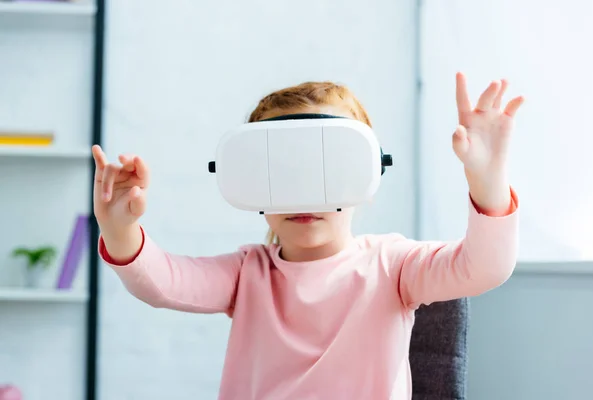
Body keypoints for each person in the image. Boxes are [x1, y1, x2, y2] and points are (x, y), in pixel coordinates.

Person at [92, 72, 524, 399]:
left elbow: (483, 268)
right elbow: (163, 282)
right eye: (281, 172)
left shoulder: (393, 265)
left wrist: (489, 182)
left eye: (329, 169)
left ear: (369, 173)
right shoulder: (248, 272)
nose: (305, 195)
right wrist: (119, 228)